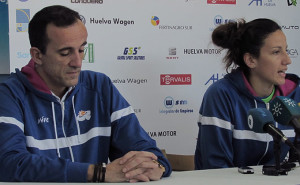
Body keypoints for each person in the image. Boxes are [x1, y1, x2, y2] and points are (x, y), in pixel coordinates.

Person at [0, 5, 171, 182]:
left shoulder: (100, 87)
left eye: (81, 50)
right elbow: (8, 163)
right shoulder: (10, 95)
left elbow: (145, 150)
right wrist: (98, 172)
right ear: (37, 55)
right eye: (65, 53)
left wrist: (156, 166)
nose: (77, 62)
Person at [194, 18, 300, 170]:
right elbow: (216, 169)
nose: (287, 60)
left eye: (286, 50)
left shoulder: (295, 94)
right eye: (276, 52)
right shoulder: (221, 95)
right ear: (251, 60)